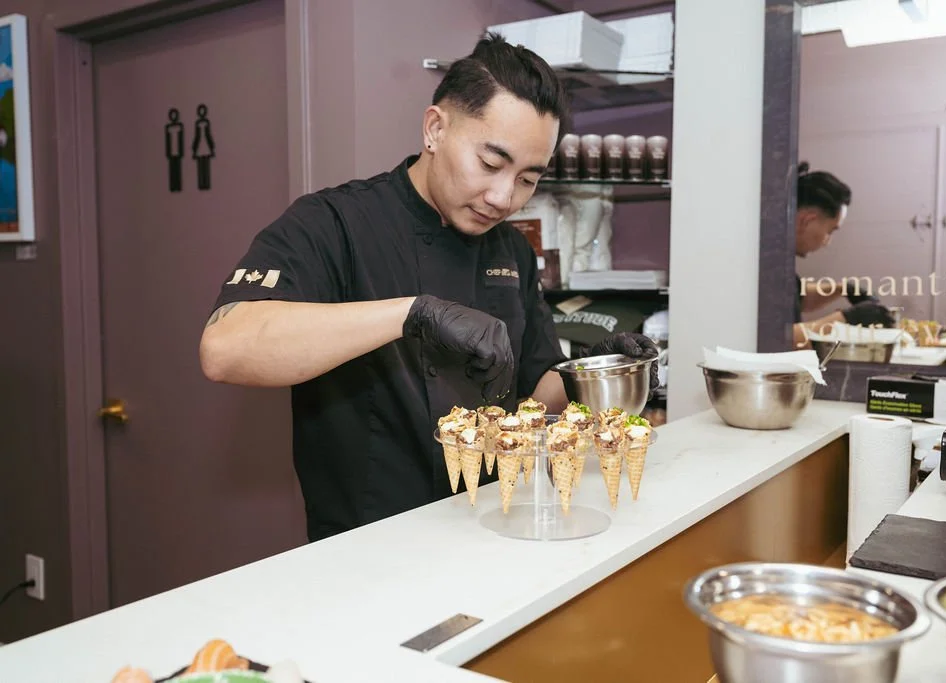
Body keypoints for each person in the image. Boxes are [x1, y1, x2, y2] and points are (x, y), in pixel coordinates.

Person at [198, 32, 659, 542]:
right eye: (490, 163)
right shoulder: (333, 223)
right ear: (435, 129)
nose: (504, 197)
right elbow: (226, 348)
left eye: (529, 178)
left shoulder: (512, 252)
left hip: (493, 523)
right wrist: (412, 313)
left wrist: (593, 370)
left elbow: (534, 400)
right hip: (368, 543)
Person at [791, 162, 894, 349]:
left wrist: (844, 288)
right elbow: (776, 339)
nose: (827, 241)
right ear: (807, 220)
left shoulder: (779, 259)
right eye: (830, 230)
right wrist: (847, 319)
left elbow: (798, 299)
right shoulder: (763, 262)